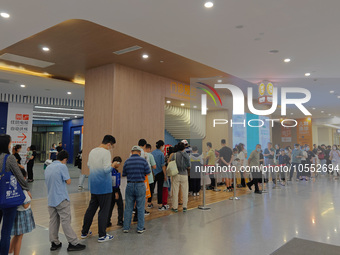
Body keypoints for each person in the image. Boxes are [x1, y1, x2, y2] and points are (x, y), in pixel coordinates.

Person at [45, 150, 86, 252]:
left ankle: (54, 243)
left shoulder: (48, 167)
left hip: (50, 199)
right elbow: (68, 181)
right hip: (61, 198)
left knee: (53, 221)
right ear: (65, 159)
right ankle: (73, 243)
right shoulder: (62, 166)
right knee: (66, 222)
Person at [81, 135, 116, 243]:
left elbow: (88, 165)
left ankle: (84, 232)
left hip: (94, 185)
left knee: (91, 209)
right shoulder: (106, 152)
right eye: (112, 146)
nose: (111, 148)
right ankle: (102, 235)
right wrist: (113, 165)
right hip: (104, 186)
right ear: (109, 144)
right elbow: (106, 170)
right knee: (104, 211)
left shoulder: (92, 151)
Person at [0, 134, 30, 255]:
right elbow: (19, 175)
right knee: (6, 232)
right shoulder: (9, 158)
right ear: (7, 144)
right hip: (8, 198)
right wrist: (26, 188)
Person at [122, 146, 150, 234]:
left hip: (130, 185)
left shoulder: (127, 161)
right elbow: (148, 173)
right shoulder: (143, 161)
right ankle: (140, 228)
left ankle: (126, 227)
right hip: (140, 185)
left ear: (131, 151)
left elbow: (124, 174)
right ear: (139, 152)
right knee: (140, 207)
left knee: (128, 207)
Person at [9, 168, 35, 255]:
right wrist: (30, 199)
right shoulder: (23, 189)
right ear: (23, 178)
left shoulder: (12, 185)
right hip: (22, 214)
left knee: (17, 235)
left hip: (15, 212)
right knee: (20, 236)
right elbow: (25, 205)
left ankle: (9, 250)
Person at [169, 142, 190, 212]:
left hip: (176, 174)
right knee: (185, 191)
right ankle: (185, 207)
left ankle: (175, 207)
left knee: (175, 191)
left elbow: (171, 163)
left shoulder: (174, 155)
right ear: (184, 148)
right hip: (184, 174)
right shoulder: (186, 155)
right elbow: (189, 165)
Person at [107, 156, 124, 228]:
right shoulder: (114, 171)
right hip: (115, 190)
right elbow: (114, 183)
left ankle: (107, 221)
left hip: (109, 191)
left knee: (110, 207)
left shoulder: (109, 169)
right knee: (120, 205)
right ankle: (120, 220)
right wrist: (116, 192)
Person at [151, 140, 167, 211]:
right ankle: (160, 205)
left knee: (151, 188)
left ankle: (149, 203)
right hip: (160, 173)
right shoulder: (161, 154)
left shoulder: (152, 153)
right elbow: (163, 165)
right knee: (160, 189)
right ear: (161, 146)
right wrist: (165, 175)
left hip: (153, 173)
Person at [145, 144, 157, 209]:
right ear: (149, 148)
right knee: (150, 191)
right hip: (149, 177)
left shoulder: (141, 154)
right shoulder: (150, 155)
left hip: (142, 177)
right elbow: (154, 166)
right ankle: (149, 203)